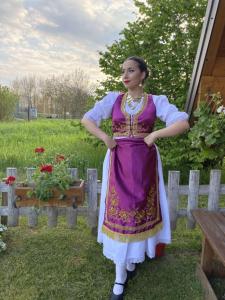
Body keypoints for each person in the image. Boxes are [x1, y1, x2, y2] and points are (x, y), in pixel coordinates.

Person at [81, 56, 189, 300]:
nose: (125, 75)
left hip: (144, 163)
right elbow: (87, 119)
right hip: (118, 159)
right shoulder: (113, 99)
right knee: (121, 211)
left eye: (131, 70)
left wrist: (156, 134)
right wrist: (105, 138)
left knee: (138, 208)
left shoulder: (156, 101)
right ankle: (120, 277)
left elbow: (183, 122)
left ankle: (131, 262)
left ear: (143, 74)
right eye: (123, 71)